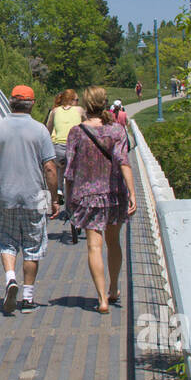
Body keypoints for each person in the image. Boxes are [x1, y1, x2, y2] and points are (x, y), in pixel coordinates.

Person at [0, 85, 58, 313]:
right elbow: (50, 168)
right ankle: (28, 297)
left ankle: (10, 278)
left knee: (7, 241)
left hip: (5, 195)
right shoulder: (41, 131)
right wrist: (54, 198)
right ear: (32, 104)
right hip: (37, 196)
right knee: (34, 246)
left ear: (10, 102)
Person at [63, 86, 137, 314]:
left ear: (86, 105)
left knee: (93, 246)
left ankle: (102, 298)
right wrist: (132, 192)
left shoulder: (77, 132)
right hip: (114, 194)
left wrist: (68, 199)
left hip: (87, 196)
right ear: (105, 104)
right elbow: (123, 161)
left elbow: (69, 170)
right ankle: (114, 288)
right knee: (113, 243)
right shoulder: (117, 131)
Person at [44, 88, 84, 207]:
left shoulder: (54, 111)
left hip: (58, 148)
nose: (78, 102)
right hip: (75, 148)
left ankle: (59, 190)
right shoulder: (80, 110)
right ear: (71, 100)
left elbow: (48, 130)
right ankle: (74, 200)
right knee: (75, 175)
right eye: (77, 99)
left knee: (60, 168)